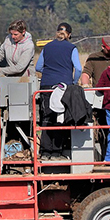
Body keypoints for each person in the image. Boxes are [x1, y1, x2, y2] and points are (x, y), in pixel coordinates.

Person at [35, 22, 82, 160]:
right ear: (69, 34)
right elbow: (78, 69)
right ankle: (56, 152)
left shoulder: (47, 47)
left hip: (46, 86)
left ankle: (44, 152)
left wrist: (50, 72)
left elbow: (38, 67)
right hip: (63, 87)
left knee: (46, 118)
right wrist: (73, 81)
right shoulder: (71, 48)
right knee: (60, 118)